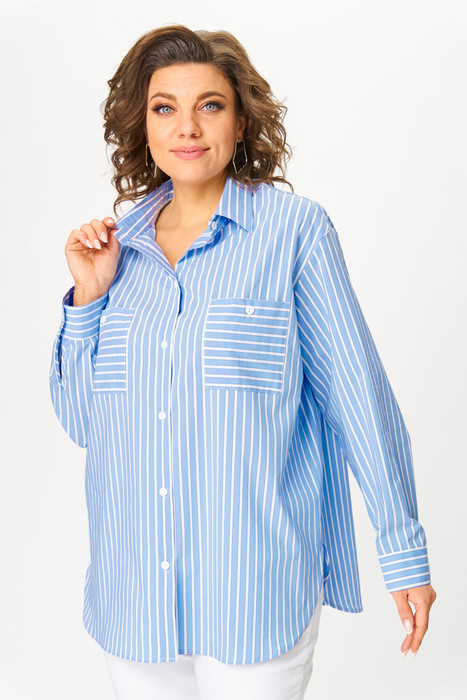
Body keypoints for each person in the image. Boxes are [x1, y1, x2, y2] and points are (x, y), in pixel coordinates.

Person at [49, 24, 437, 700]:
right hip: (133, 597)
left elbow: (358, 395)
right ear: (142, 126)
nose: (187, 127)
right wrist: (88, 297)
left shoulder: (295, 233)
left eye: (210, 104)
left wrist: (402, 551)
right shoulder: (117, 250)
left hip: (255, 593)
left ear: (240, 120)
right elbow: (85, 423)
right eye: (164, 107)